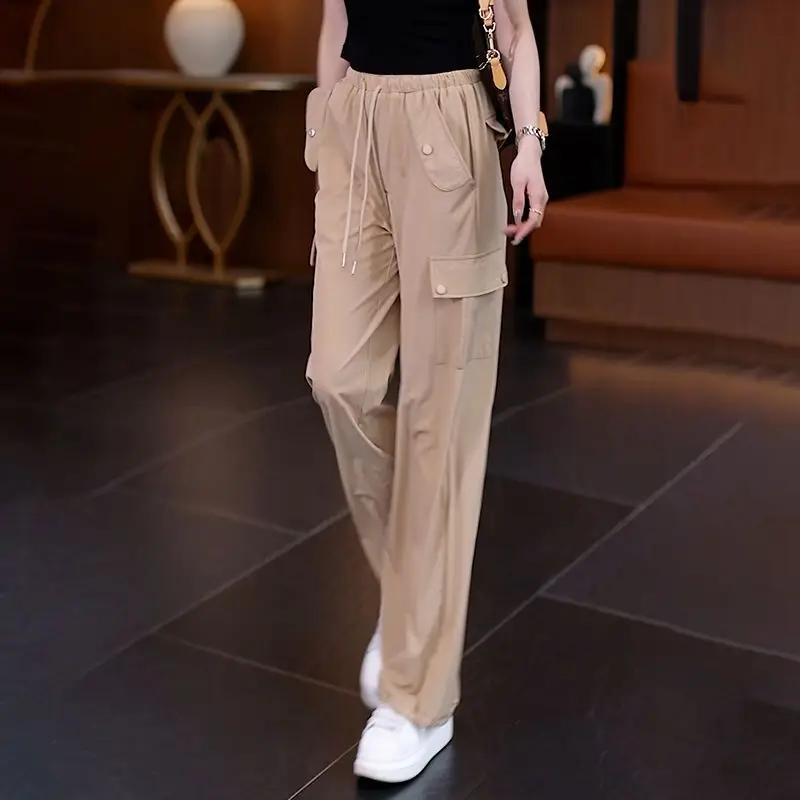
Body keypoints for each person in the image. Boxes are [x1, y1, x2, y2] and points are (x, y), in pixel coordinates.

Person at [304, 0, 548, 784]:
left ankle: (420, 700)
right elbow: (336, 20)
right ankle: (412, 602)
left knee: (437, 417)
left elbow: (515, 30)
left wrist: (530, 145)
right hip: (355, 126)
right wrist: (327, 131)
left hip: (447, 127)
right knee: (337, 380)